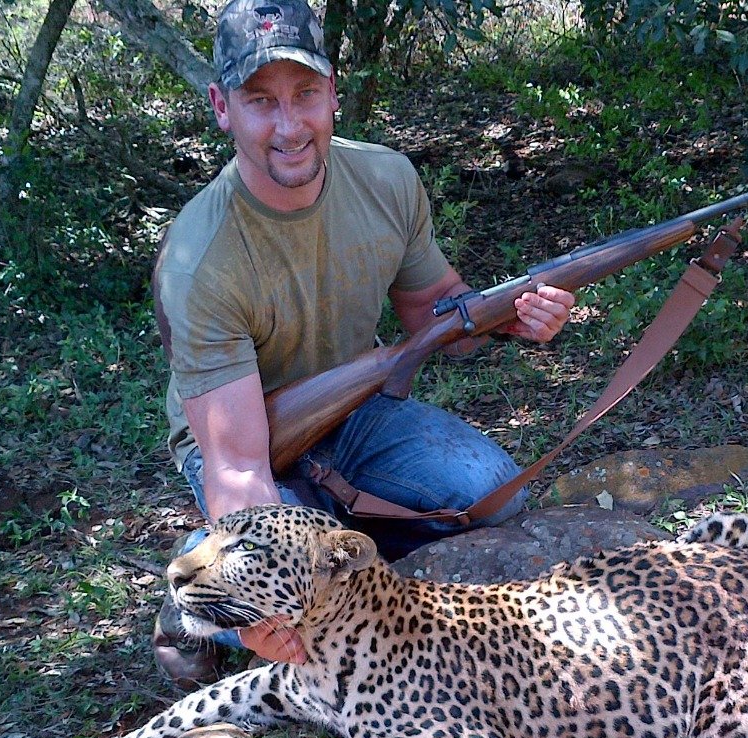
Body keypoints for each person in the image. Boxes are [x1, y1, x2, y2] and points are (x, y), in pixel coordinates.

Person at [149, 0, 575, 686]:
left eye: (305, 94)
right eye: (261, 101)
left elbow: (437, 318)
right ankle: (195, 589)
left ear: (333, 94)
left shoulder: (386, 178)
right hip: (245, 441)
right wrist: (260, 603)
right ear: (222, 107)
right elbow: (236, 468)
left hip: (353, 412)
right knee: (312, 598)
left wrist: (514, 318)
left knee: (495, 496)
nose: (289, 126)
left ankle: (328, 537)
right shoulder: (200, 257)